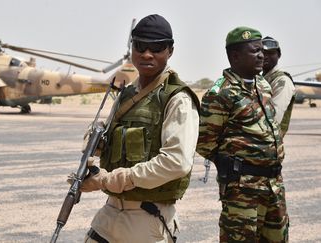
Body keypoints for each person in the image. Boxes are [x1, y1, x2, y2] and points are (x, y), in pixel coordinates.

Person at [80, 14, 200, 243]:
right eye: (140, 46)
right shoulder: (127, 94)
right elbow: (106, 140)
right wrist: (94, 149)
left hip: (147, 217)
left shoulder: (177, 99)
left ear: (170, 51)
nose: (147, 54)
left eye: (156, 48)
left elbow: (176, 162)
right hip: (111, 211)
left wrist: (109, 180)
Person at [196, 27, 289, 242]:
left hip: (273, 184)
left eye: (262, 51)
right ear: (235, 56)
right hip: (243, 190)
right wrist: (232, 166)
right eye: (254, 51)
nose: (261, 56)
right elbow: (204, 143)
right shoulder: (220, 93)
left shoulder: (263, 85)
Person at [262, 36, 296, 137]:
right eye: (263, 53)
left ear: (279, 55)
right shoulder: (262, 79)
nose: (265, 56)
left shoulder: (282, 81)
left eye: (271, 53)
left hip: (269, 142)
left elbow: (273, 119)